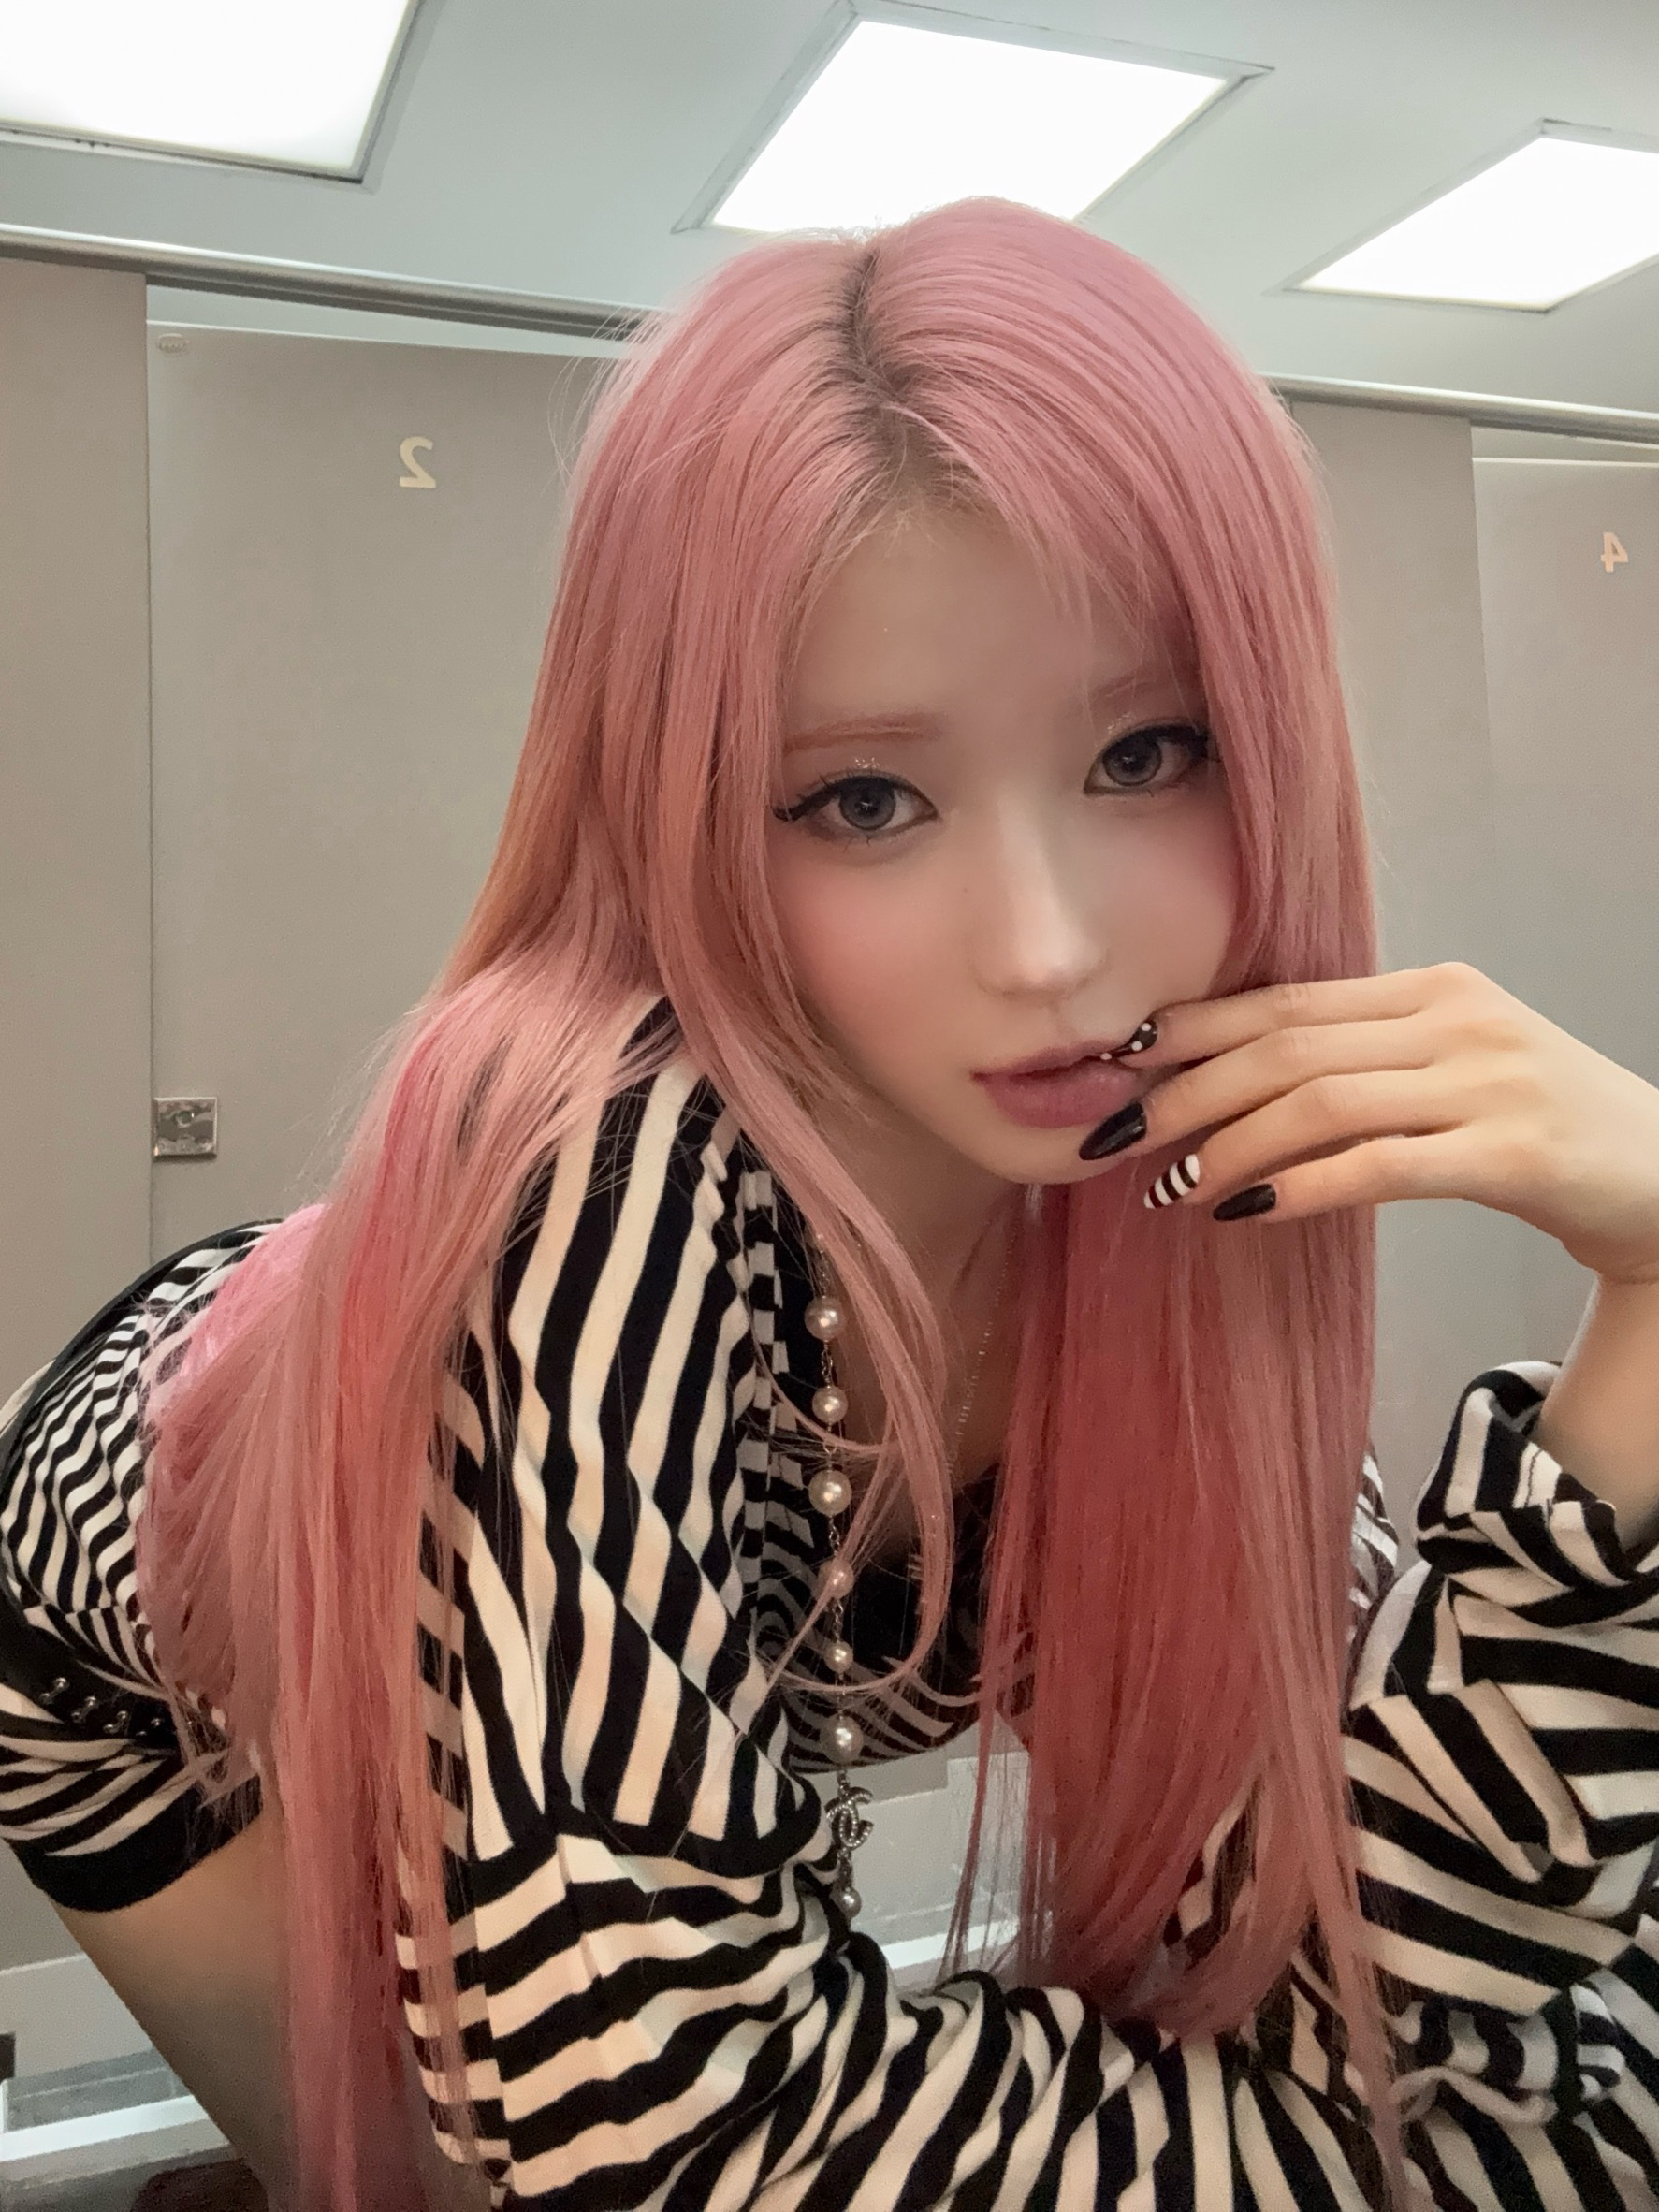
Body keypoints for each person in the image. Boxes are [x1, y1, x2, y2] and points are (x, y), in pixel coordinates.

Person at [5, 196, 1659, 2212]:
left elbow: (1385, 1969)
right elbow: (664, 2132)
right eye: (864, 799)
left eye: (1147, 751)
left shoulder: (1175, 1155)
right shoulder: (602, 1175)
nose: (1049, 952)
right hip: (144, 1682)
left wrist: (1648, 1329)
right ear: (688, 801)